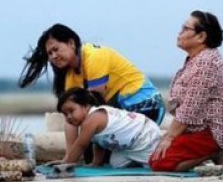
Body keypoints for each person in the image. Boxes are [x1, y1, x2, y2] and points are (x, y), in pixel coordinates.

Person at [19, 23, 165, 159]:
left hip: (147, 105)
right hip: (122, 112)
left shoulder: (94, 57)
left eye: (56, 49)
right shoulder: (71, 76)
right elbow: (71, 117)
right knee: (94, 153)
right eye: (49, 54)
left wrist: (82, 147)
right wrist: (69, 158)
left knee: (97, 150)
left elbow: (95, 106)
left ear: (71, 43)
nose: (53, 57)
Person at [149, 11, 223, 172]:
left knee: (160, 162)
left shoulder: (206, 63)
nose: (179, 33)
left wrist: (170, 137)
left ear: (201, 37)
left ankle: (215, 151)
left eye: (185, 29)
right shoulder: (198, 60)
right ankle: (209, 153)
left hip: (212, 131)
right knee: (156, 151)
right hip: (197, 129)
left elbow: (189, 109)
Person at [56, 88, 162, 168]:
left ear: (85, 106)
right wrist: (96, 163)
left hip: (144, 135)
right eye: (65, 114)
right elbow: (99, 143)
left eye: (71, 111)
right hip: (129, 147)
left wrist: (66, 164)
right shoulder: (90, 121)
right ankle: (137, 161)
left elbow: (80, 146)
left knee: (155, 164)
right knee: (115, 163)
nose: (69, 117)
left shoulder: (93, 119)